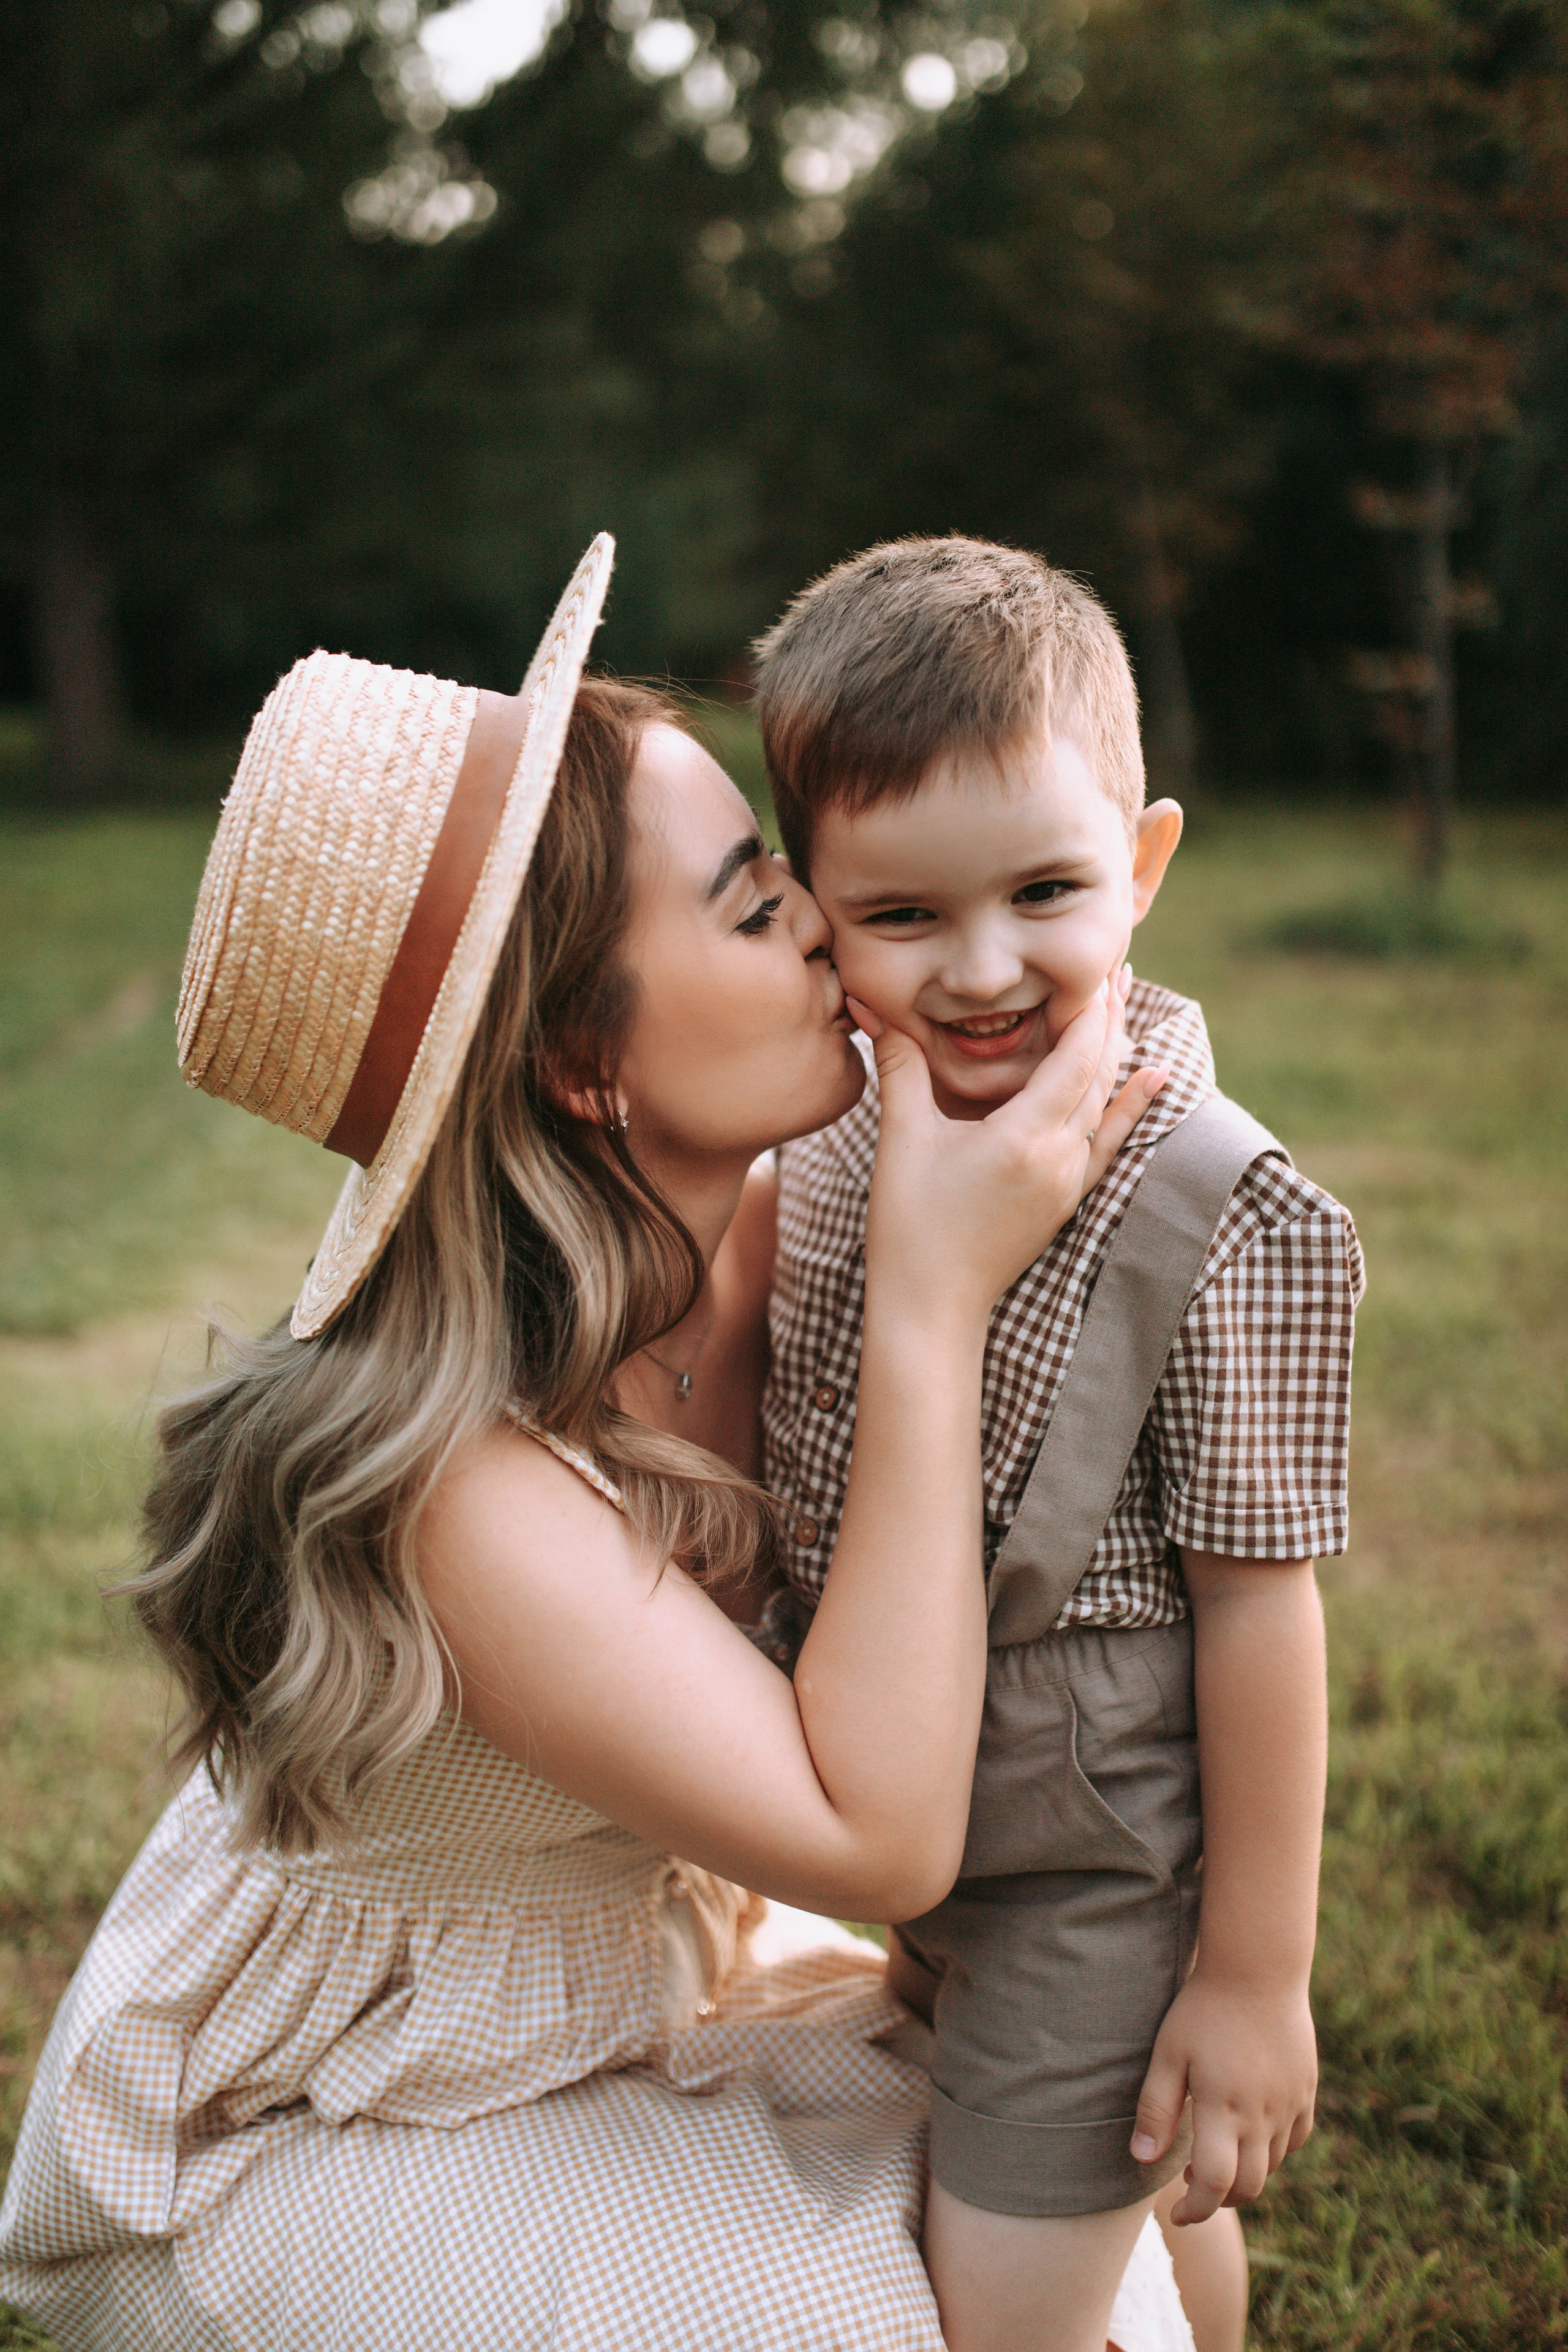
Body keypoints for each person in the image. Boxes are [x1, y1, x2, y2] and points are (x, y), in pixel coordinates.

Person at [0, 538, 1189, 2351]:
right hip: (314, 2112)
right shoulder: (463, 1490)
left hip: (610, 1994)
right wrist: (931, 1315)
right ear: (579, 1058)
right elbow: (876, 1840)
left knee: (1101, 2250)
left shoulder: (791, 1223)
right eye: (742, 906)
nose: (814, 916)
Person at [752, 537, 1366, 2352]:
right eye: (905, 917)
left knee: (1004, 2307)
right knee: (1123, 2199)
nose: (986, 969)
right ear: (813, 910)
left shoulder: (1221, 1206)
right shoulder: (843, 1128)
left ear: (1146, 861)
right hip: (921, 1825)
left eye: (1046, 887)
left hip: (1101, 1864)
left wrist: (1252, 1976)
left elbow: (1264, 1613)